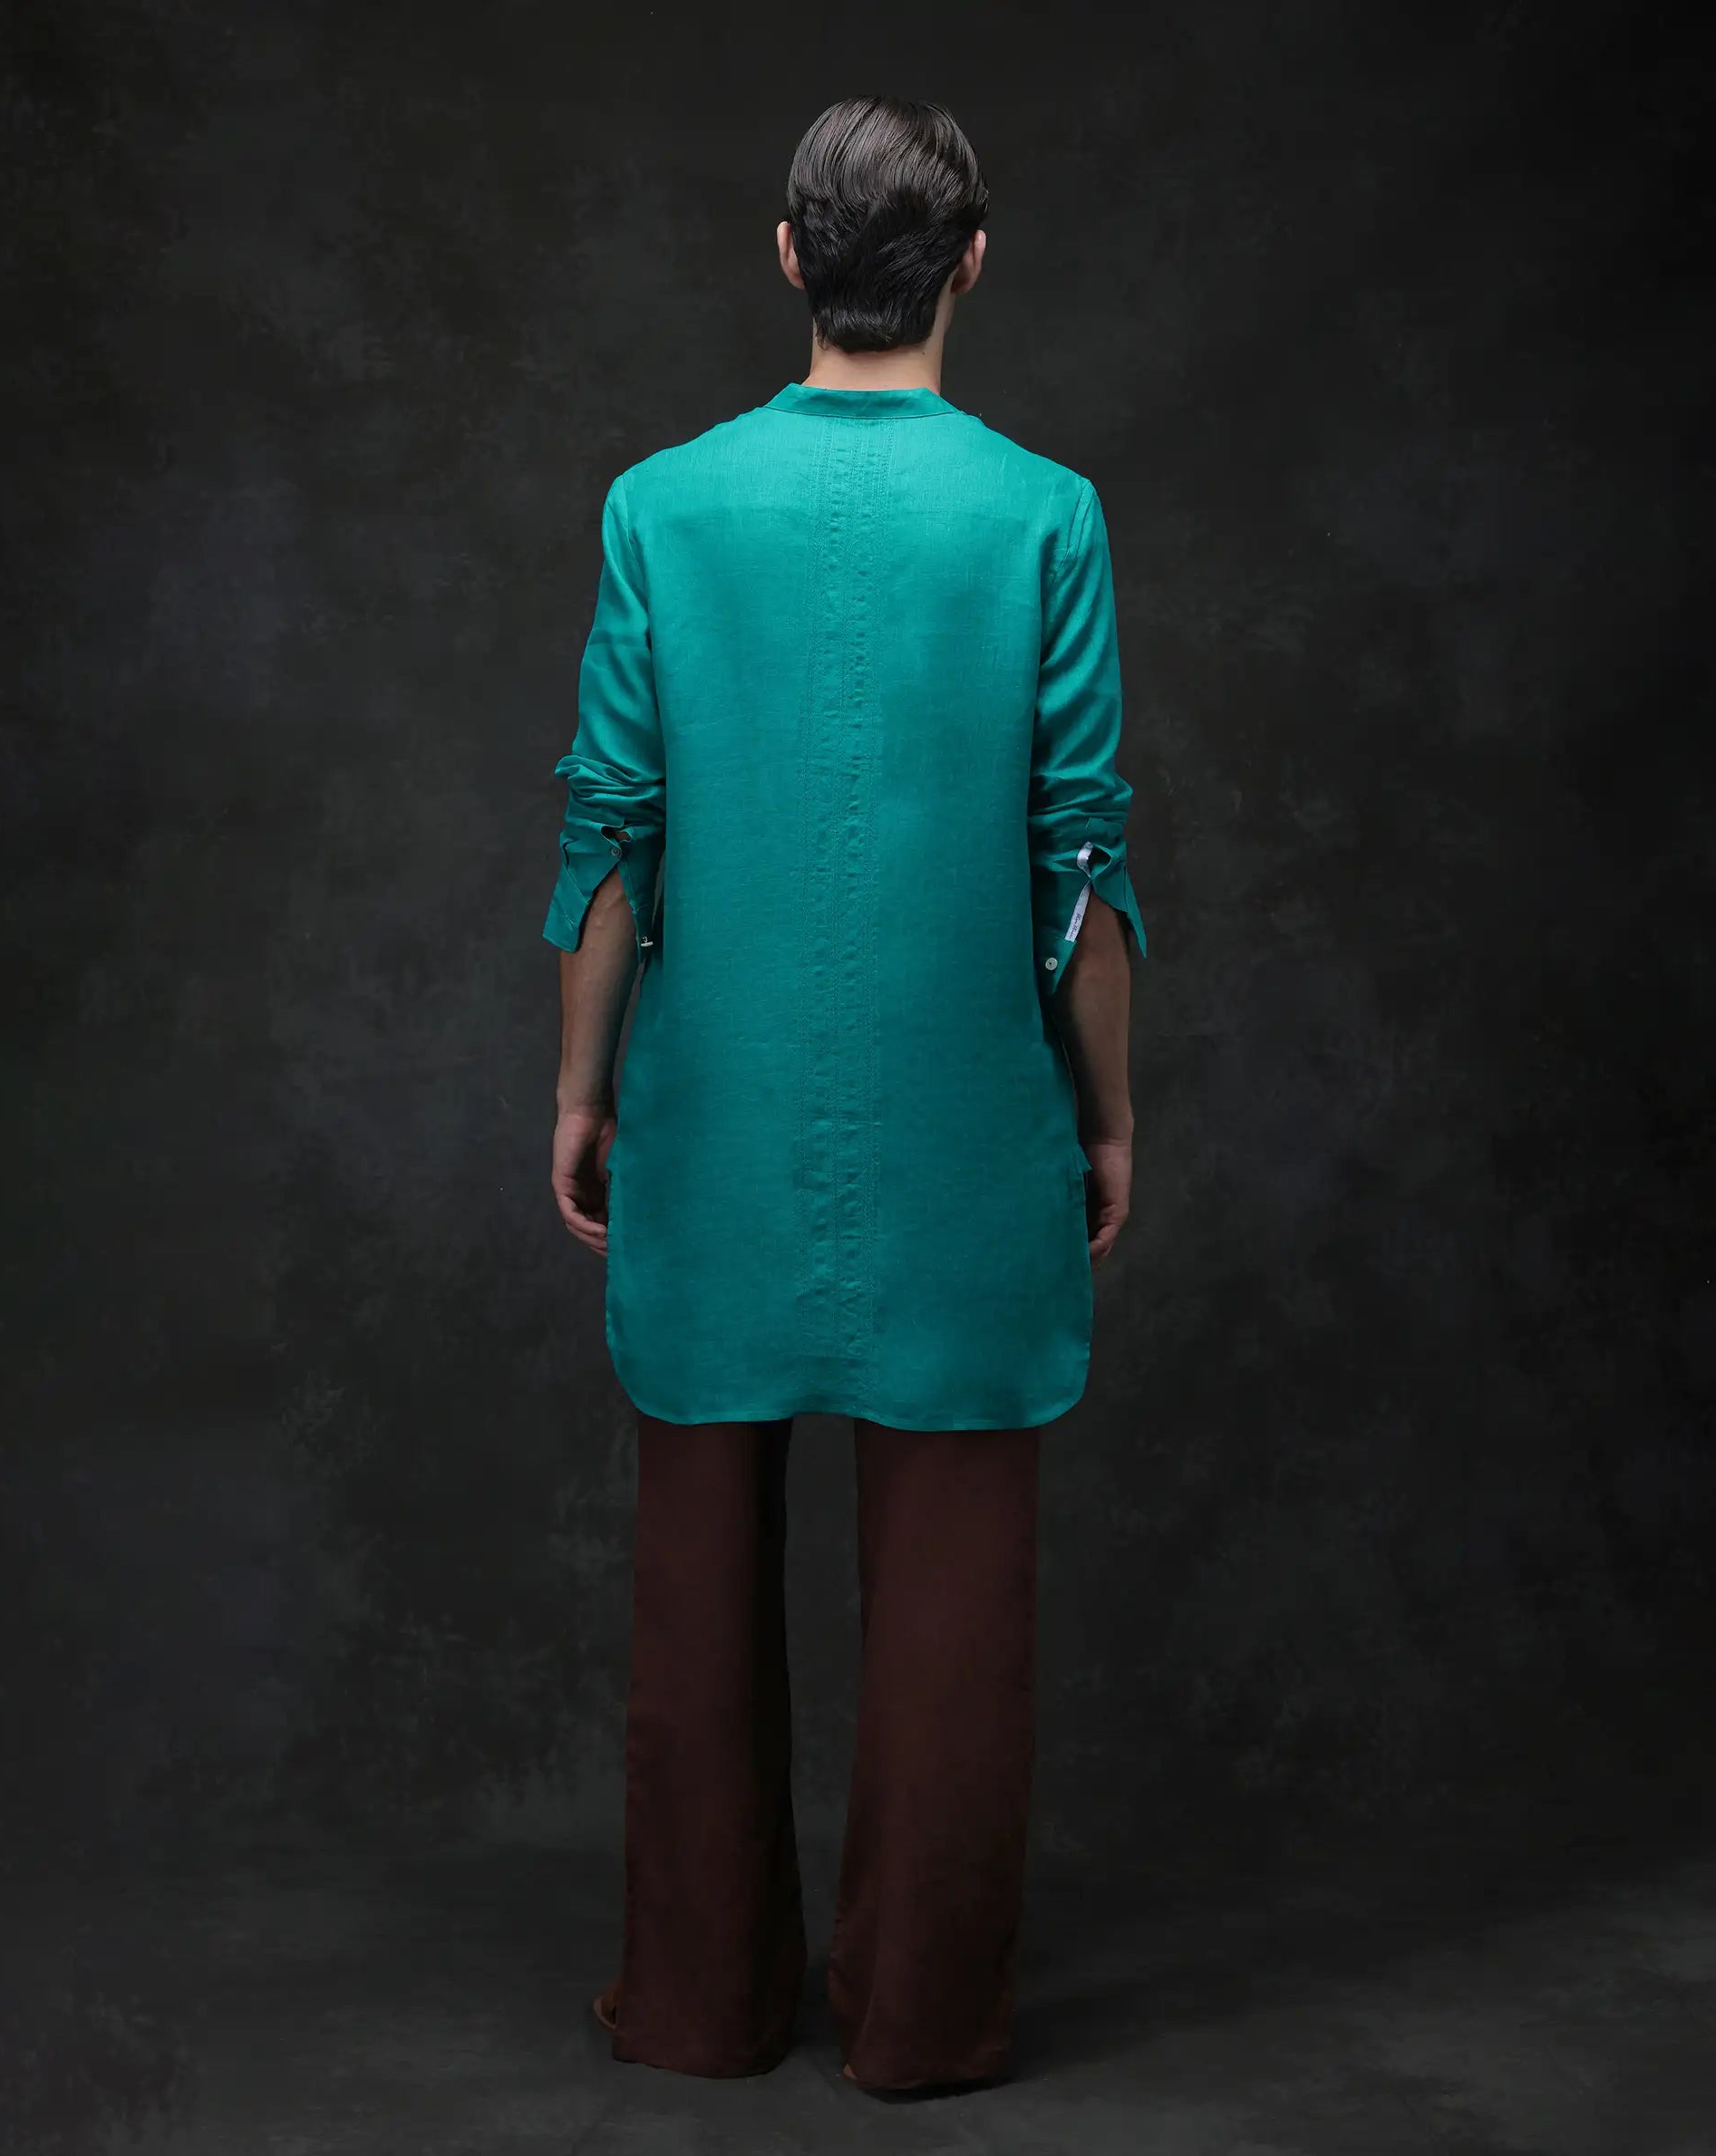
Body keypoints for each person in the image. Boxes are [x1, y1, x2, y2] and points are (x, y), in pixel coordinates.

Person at [544, 94, 1147, 2093]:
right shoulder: (1048, 517)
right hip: (969, 1129)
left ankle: (700, 1999)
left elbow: (612, 833)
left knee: (694, 1586)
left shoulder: (659, 506)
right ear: (971, 263)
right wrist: (1108, 1114)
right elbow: (1080, 870)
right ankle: (923, 2019)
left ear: (791, 257)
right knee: (958, 1608)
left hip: (713, 1116)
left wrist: (582, 1084)